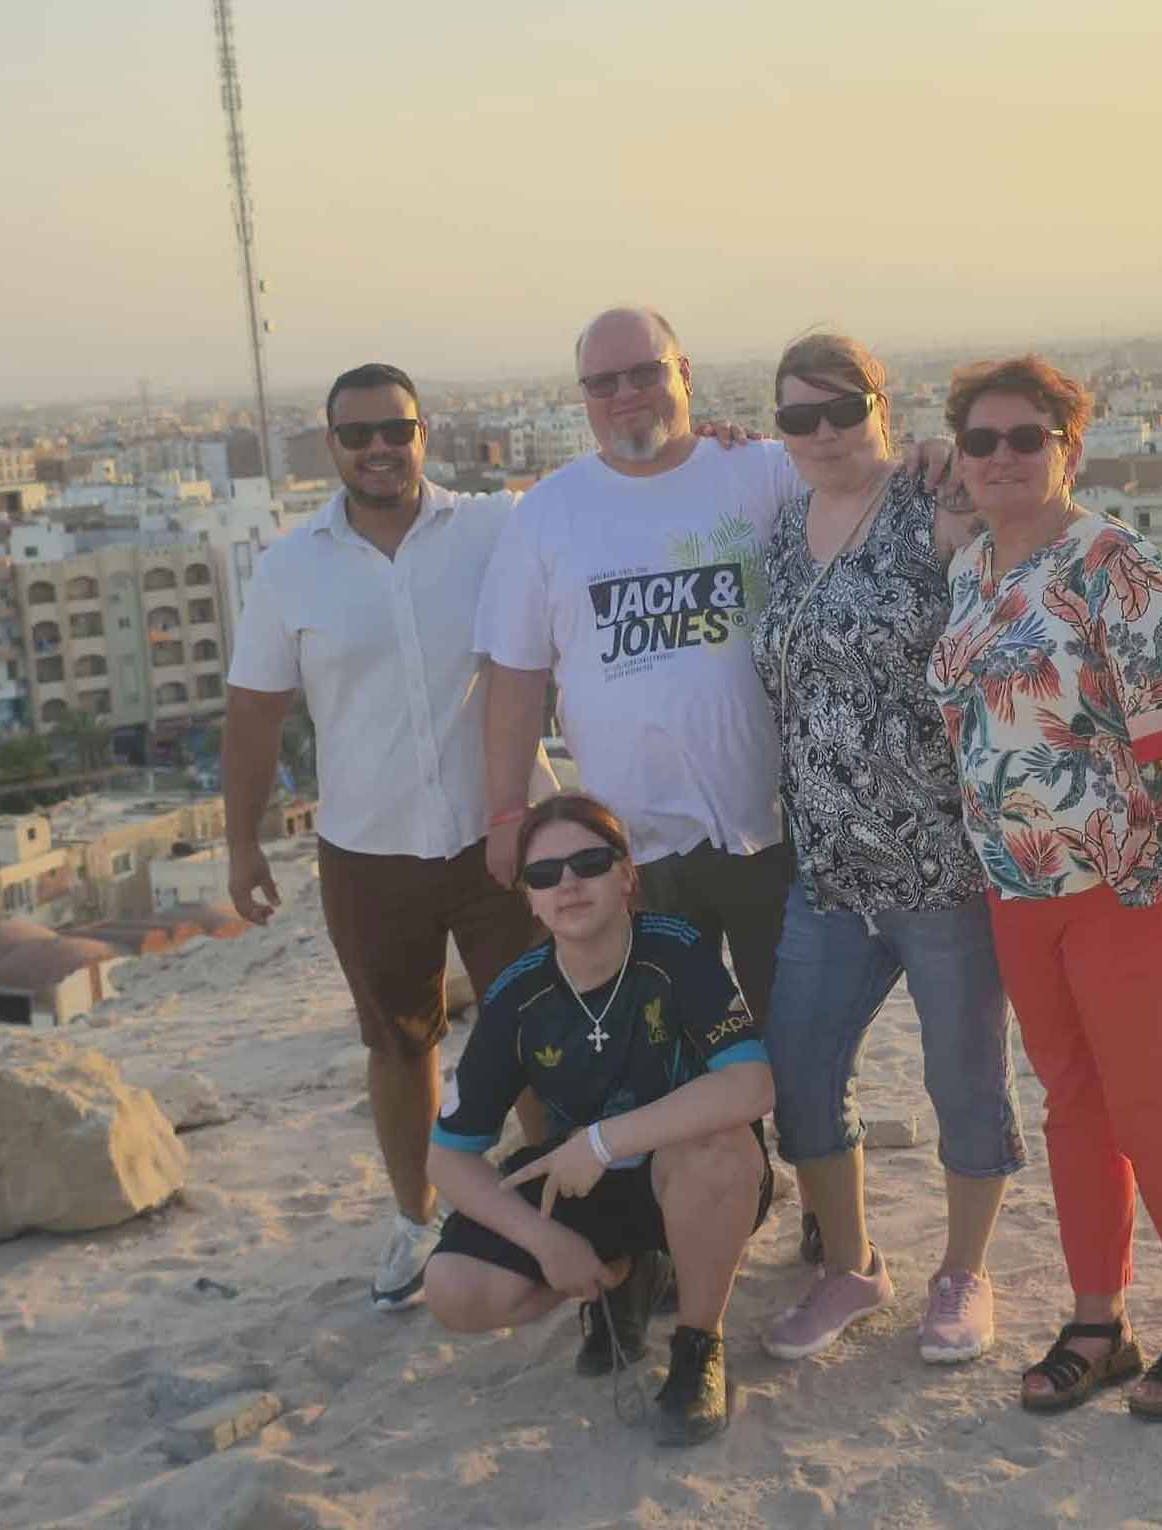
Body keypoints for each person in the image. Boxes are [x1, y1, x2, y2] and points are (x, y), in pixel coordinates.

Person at [926, 355, 1162, 1418]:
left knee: (1151, 1101)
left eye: (1027, 437)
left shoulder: (1119, 569)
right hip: (1018, 892)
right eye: (981, 440)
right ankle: (1098, 1319)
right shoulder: (971, 572)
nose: (1002, 457)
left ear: (1070, 448)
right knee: (1073, 1105)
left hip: (1126, 883)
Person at [223, 361, 550, 1309]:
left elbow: (606, 494)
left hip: (499, 834)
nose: (379, 448)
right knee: (399, 1043)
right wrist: (242, 845)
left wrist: (717, 440)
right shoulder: (290, 568)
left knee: (536, 1029)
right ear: (330, 445)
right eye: (358, 433)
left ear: (422, 435)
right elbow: (253, 714)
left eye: (395, 430)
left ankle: (556, 1204)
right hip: (368, 850)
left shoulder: (494, 526)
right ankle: (417, 1220)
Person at [748, 332, 1025, 1367]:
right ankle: (851, 1267)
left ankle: (964, 1274)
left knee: (965, 1081)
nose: (822, 433)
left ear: (882, 404)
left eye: (841, 410)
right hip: (826, 871)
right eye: (798, 416)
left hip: (940, 865)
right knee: (802, 1074)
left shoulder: (935, 503)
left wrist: (957, 468)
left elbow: (1019, 544)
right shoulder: (783, 528)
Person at [476, 307, 803, 1034]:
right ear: (583, 396)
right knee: (671, 1056)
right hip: (628, 850)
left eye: (644, 373)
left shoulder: (763, 471)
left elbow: (860, 493)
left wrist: (930, 453)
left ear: (683, 374)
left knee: (807, 1055)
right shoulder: (547, 512)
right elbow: (516, 677)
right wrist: (505, 814)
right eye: (603, 382)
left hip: (773, 830)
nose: (625, 394)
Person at [424, 793, 775, 1448]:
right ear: (530, 899)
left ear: (627, 875)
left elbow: (752, 1084)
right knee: (451, 1287)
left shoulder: (676, 950)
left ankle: (699, 1344)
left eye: (589, 863)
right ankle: (621, 1274)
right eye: (544, 874)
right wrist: (543, 1240)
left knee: (715, 1150)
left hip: (688, 1174)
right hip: (583, 1180)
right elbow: (446, 1156)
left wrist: (603, 1140)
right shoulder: (516, 995)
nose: (568, 883)